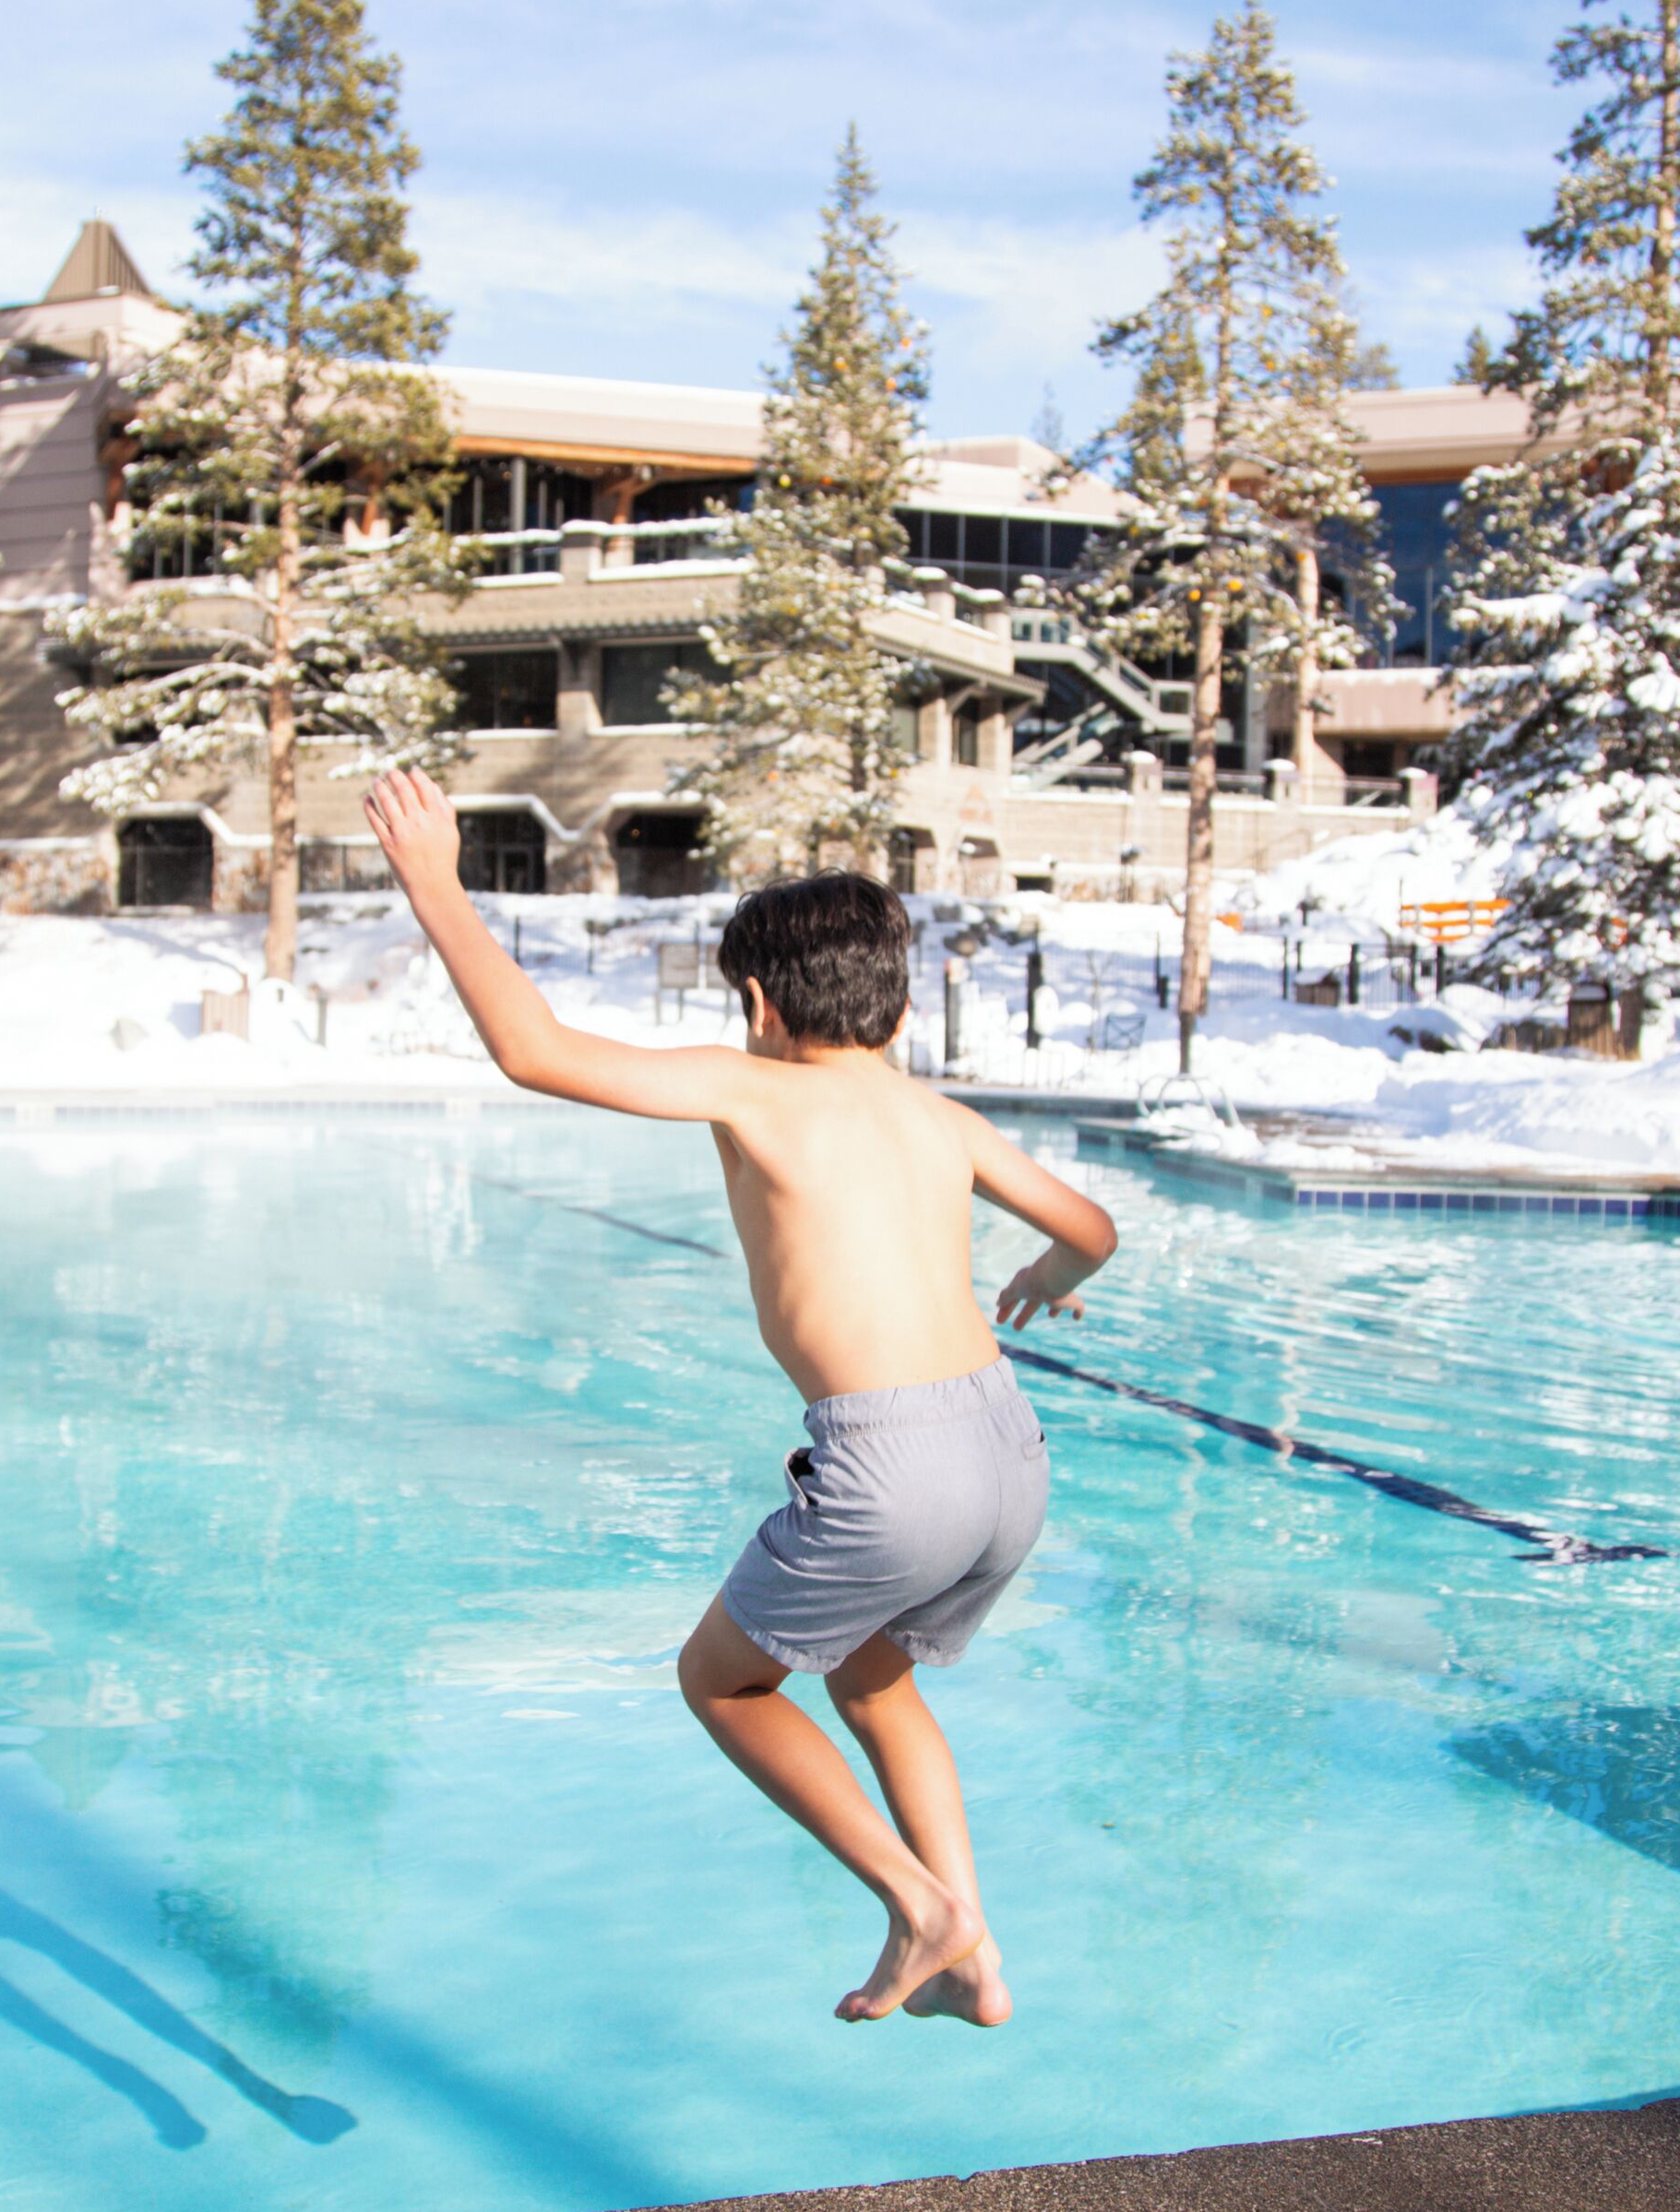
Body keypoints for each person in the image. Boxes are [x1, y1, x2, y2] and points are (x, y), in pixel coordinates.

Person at [363, 768, 1116, 2028]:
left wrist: (435, 882)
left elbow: (533, 1050)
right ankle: (973, 1949)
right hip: (1007, 1452)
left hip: (891, 1461)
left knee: (723, 1682)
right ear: (894, 999)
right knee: (876, 1681)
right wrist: (1052, 1271)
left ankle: (919, 1905)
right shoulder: (941, 1116)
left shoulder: (754, 1083)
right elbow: (1091, 1223)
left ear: (761, 1001)